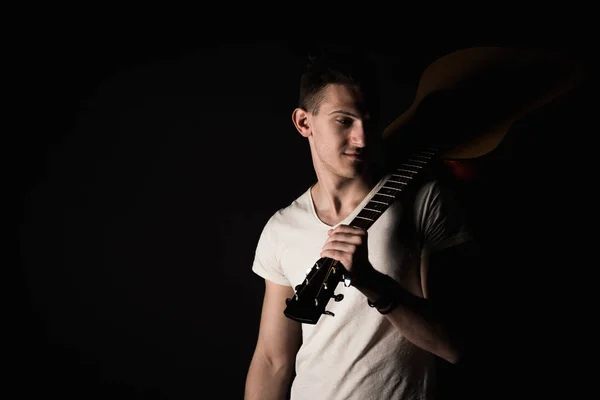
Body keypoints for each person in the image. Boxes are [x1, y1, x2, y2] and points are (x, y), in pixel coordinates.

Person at [244, 46, 479, 400]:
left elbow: (453, 346)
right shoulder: (282, 228)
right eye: (344, 120)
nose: (362, 138)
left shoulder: (425, 202)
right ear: (304, 123)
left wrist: (373, 284)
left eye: (369, 121)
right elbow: (271, 360)